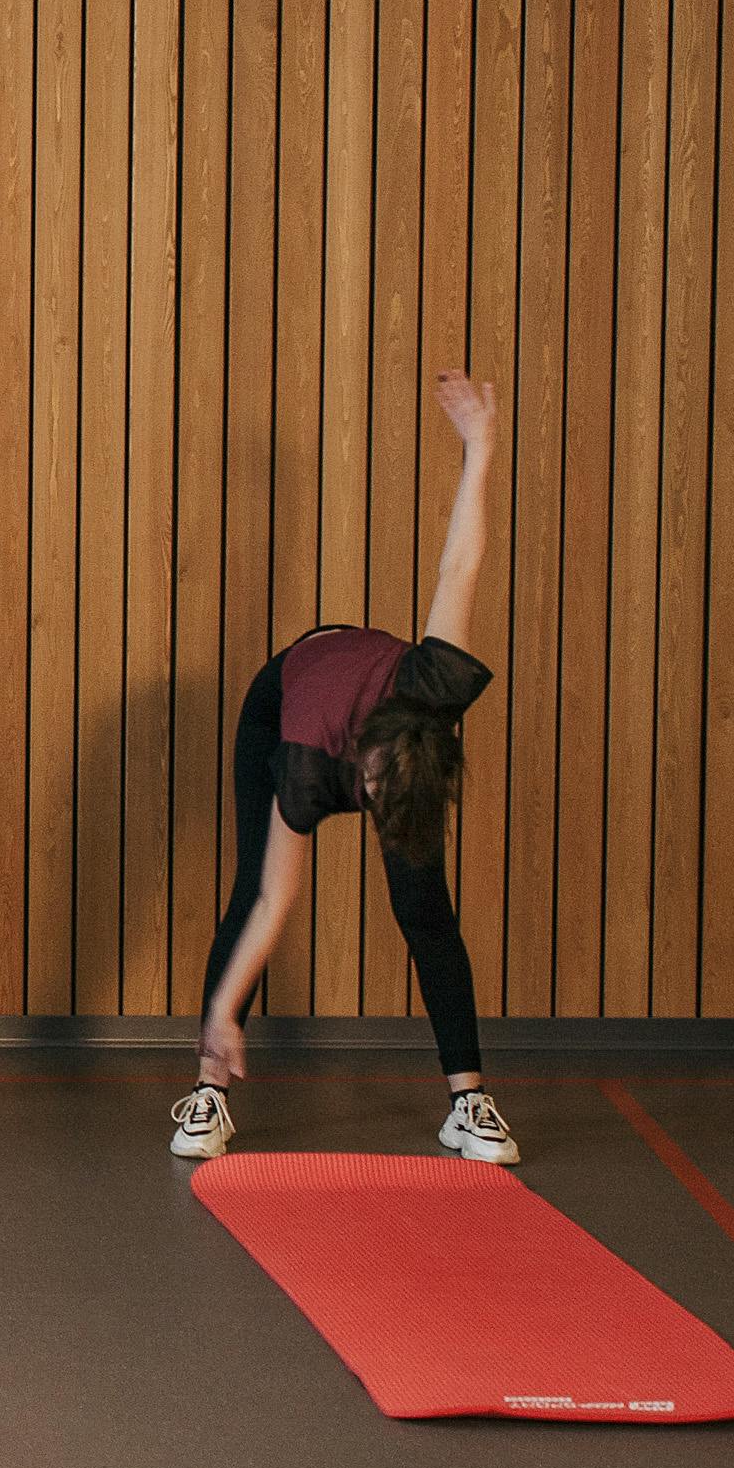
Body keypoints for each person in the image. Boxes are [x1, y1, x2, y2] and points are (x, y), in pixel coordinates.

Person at [173, 370, 513, 1167]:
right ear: (358, 771)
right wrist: (222, 1009)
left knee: (424, 904)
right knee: (244, 890)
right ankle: (208, 1089)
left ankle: (468, 1100)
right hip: (283, 692)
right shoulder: (303, 755)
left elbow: (458, 568)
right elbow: (274, 899)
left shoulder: (434, 689)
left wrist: (481, 449)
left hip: (383, 730)